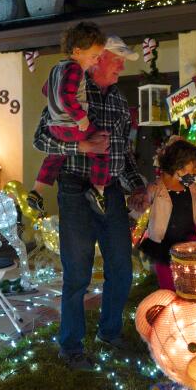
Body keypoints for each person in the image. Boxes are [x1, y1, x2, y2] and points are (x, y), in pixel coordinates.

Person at [33, 35, 147, 370]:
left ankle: (109, 333)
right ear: (97, 61)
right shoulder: (71, 95)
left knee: (121, 270)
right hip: (75, 190)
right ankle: (71, 346)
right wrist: (79, 149)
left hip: (111, 190)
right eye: (117, 59)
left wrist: (136, 187)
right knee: (77, 272)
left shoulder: (119, 103)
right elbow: (41, 138)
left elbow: (123, 154)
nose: (123, 66)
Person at [30, 21, 109, 214]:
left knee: (54, 157)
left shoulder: (57, 68)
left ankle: (36, 192)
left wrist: (55, 106)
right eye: (94, 56)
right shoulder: (75, 69)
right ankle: (98, 191)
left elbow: (45, 90)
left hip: (55, 126)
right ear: (77, 51)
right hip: (72, 125)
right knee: (102, 146)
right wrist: (81, 117)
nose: (96, 61)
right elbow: (66, 96)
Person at [136, 137, 196, 290]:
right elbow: (141, 210)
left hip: (189, 246)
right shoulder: (156, 188)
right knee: (169, 288)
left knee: (190, 287)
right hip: (165, 249)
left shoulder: (192, 189)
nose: (195, 168)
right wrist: (140, 203)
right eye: (192, 163)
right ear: (178, 164)